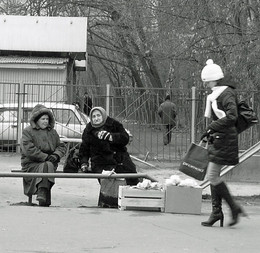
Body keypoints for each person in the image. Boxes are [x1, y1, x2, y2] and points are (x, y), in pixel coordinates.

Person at [200, 59, 247, 227]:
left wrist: (212, 126)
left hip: (225, 139)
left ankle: (232, 208)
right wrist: (210, 131)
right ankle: (217, 212)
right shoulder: (218, 92)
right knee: (214, 176)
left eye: (206, 81)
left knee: (212, 176)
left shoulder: (225, 93)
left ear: (212, 79)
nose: (205, 85)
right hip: (219, 138)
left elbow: (231, 116)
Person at [78, 106, 139, 186]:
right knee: (108, 187)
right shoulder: (89, 130)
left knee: (131, 182)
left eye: (98, 115)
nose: (96, 118)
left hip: (120, 160)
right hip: (100, 163)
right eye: (94, 116)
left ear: (103, 115)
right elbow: (84, 149)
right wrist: (84, 163)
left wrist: (111, 137)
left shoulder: (114, 124)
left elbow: (125, 138)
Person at [20, 104, 66, 206]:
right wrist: (45, 157)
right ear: (36, 119)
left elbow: (61, 146)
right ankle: (43, 194)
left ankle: (42, 193)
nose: (45, 121)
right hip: (32, 164)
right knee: (47, 165)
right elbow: (29, 150)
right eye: (43, 119)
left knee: (48, 165)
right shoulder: (27, 132)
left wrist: (56, 155)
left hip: (50, 163)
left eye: (47, 119)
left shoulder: (53, 132)